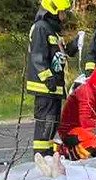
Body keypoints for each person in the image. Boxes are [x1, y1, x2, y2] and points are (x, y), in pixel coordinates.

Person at [25, 0, 74, 158]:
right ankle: (40, 155)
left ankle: (47, 155)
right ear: (53, 10)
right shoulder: (41, 28)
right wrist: (47, 77)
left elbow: (57, 56)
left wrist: (71, 49)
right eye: (62, 12)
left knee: (52, 124)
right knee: (45, 124)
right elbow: (38, 56)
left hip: (54, 88)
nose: (64, 15)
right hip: (45, 87)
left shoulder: (52, 30)